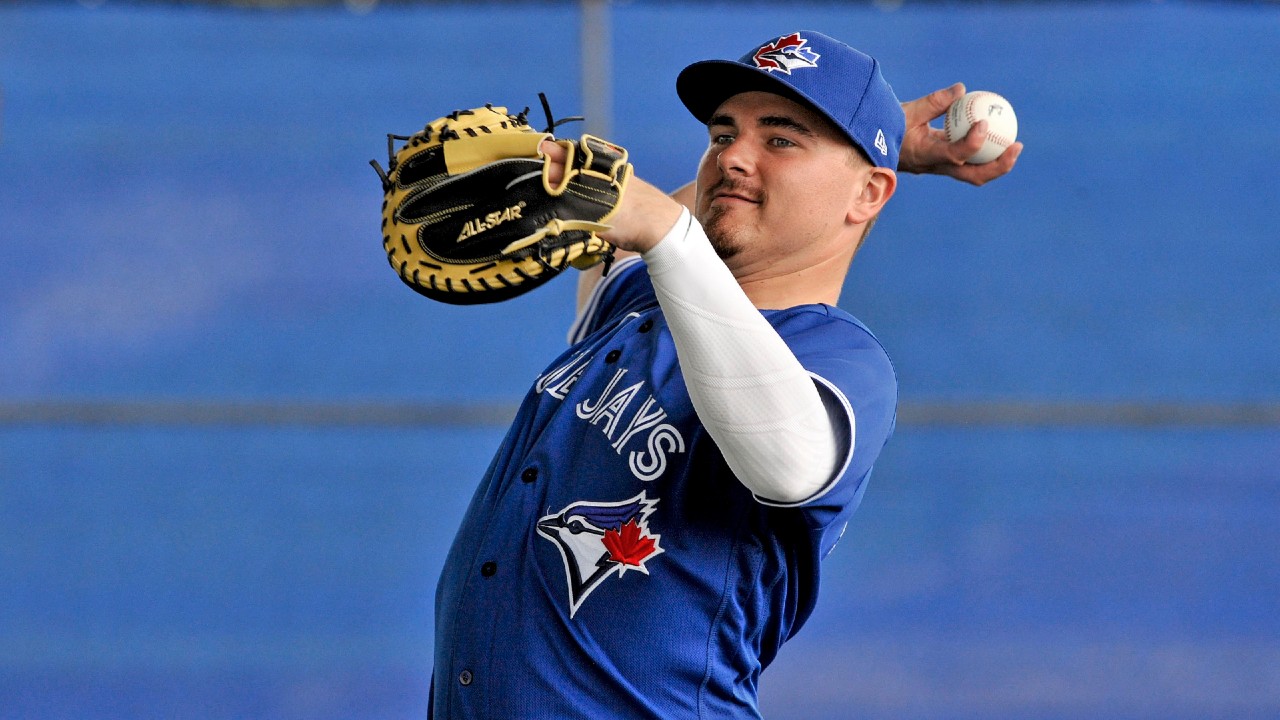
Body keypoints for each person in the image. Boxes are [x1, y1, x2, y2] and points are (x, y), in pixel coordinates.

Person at [429, 30, 1021, 719]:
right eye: (720, 133)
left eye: (781, 139)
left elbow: (788, 464)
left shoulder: (838, 361)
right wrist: (880, 142)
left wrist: (867, 156)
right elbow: (694, 224)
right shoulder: (634, 301)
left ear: (868, 195)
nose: (733, 156)